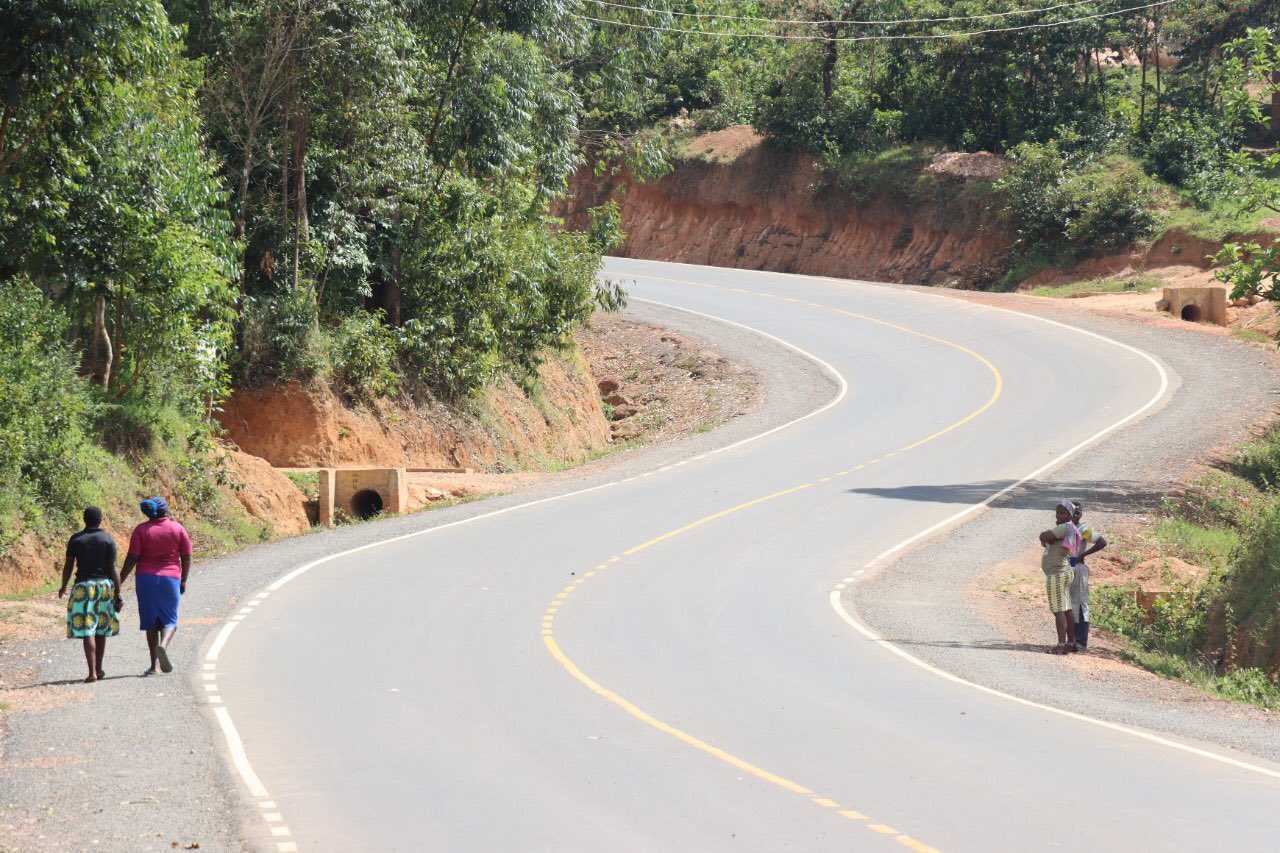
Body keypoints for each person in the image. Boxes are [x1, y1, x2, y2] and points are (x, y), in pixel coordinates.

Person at [119, 497, 191, 675]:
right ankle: (163, 646)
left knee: (151, 622)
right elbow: (186, 555)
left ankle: (154, 667)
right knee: (170, 620)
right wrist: (184, 579)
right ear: (165, 510)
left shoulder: (141, 530)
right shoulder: (177, 528)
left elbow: (132, 557)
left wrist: (119, 580)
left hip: (146, 580)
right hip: (170, 579)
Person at [59, 507, 123, 683]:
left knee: (88, 630)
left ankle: (92, 672)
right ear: (100, 520)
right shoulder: (108, 539)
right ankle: (99, 668)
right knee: (101, 629)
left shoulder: (76, 539)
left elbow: (68, 565)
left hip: (83, 587)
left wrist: (63, 586)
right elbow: (113, 567)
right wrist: (118, 592)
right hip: (104, 586)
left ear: (84, 520)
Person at [1038, 499, 1081, 654]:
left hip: (1057, 573)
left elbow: (1044, 536)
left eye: (1063, 513)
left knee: (1058, 611)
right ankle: (1071, 642)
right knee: (1067, 609)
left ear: (1070, 515)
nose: (1059, 515)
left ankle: (1060, 646)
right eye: (1057, 513)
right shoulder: (1069, 528)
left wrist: (1046, 536)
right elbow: (1046, 538)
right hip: (1065, 572)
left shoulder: (1064, 527)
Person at [1069, 502, 1107, 650]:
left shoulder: (1083, 529)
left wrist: (1082, 555)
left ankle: (1080, 641)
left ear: (1081, 515)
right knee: (1067, 605)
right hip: (1064, 569)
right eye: (1072, 512)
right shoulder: (1062, 529)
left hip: (1078, 568)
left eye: (1077, 513)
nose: (1074, 515)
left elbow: (1101, 542)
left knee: (1080, 603)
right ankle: (1070, 640)